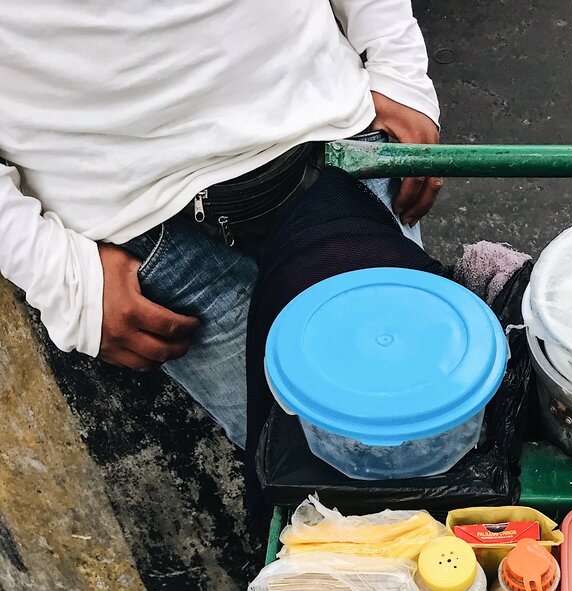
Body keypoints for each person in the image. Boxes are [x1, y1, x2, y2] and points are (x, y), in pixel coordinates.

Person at [0, 0, 442, 445]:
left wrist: (396, 63)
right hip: (144, 236)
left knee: (424, 414)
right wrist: (54, 272)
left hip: (329, 140)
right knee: (306, 466)